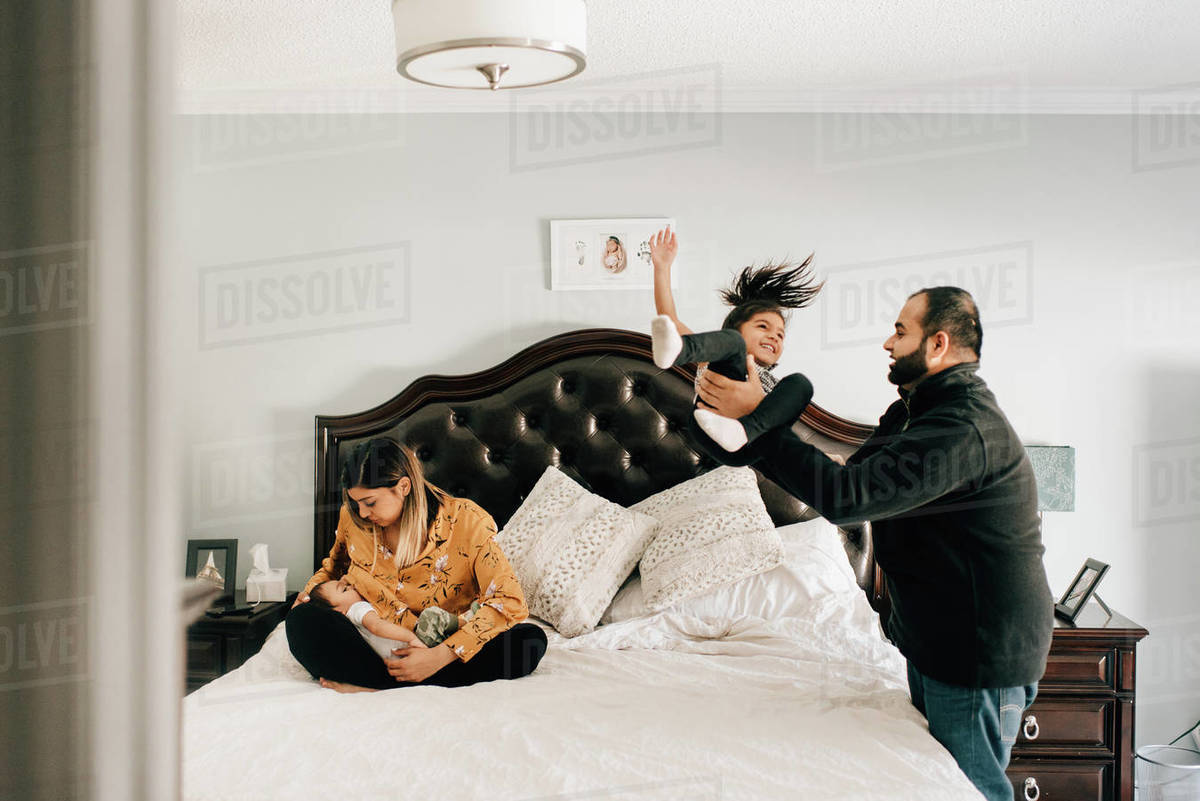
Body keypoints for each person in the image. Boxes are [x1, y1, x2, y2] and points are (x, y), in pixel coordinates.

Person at [695, 286, 1053, 801]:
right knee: (939, 776)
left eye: (902, 331)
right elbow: (851, 478)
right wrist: (755, 425)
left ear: (938, 344)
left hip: (980, 649)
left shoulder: (960, 426)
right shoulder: (914, 412)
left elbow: (846, 499)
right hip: (936, 639)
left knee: (971, 789)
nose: (888, 342)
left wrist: (761, 418)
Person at [286, 438, 547, 692]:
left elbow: (508, 600)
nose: (362, 513)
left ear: (403, 486)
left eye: (370, 503)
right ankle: (398, 681)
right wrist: (310, 595)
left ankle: (375, 684)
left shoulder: (467, 521)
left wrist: (439, 657)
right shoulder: (353, 518)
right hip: (371, 642)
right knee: (300, 620)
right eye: (355, 503)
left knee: (529, 641)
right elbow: (333, 568)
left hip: (440, 645)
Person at [648, 226, 821, 454]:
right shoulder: (715, 359)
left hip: (748, 444)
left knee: (801, 383)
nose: (773, 336)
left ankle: (745, 430)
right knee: (731, 343)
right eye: (763, 326)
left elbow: (787, 438)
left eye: (780, 334)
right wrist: (662, 267)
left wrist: (825, 456)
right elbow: (669, 318)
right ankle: (676, 350)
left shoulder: (776, 387)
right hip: (707, 424)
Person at [306, 577, 483, 658]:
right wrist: (411, 638)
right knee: (431, 616)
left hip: (398, 658)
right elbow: (377, 626)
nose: (352, 588)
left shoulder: (348, 626)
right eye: (344, 590)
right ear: (338, 612)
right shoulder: (357, 609)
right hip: (416, 644)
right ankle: (467, 621)